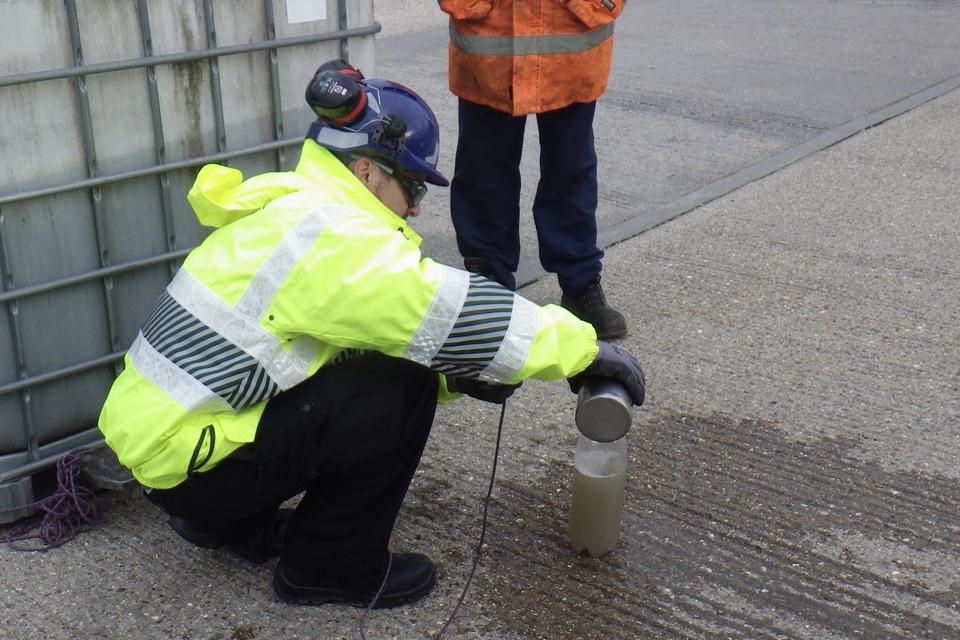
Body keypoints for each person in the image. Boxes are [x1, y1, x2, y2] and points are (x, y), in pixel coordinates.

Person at [97, 60, 645, 609]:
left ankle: (227, 523)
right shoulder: (336, 237)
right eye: (410, 184)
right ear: (364, 171)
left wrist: (459, 376)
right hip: (196, 463)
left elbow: (335, 348)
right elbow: (440, 309)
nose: (417, 204)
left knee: (403, 372)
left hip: (171, 452)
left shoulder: (292, 208)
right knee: (402, 388)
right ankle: (329, 567)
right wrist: (584, 352)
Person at [439, 0, 628, 339]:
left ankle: (580, 282)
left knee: (571, 169)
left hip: (573, 29)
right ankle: (487, 287)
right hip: (489, 34)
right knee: (484, 170)